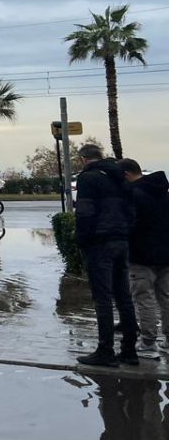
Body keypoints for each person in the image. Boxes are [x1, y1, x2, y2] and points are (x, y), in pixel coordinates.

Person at [75, 143, 139, 366]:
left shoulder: (88, 178)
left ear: (83, 159)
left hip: (99, 243)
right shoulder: (120, 177)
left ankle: (105, 351)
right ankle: (129, 350)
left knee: (102, 299)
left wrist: (82, 241)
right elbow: (132, 210)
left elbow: (84, 213)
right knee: (124, 296)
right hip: (121, 240)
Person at [119, 158, 169, 356]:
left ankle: (148, 342)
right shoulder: (164, 193)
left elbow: (130, 225)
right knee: (166, 297)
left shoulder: (133, 194)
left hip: (140, 255)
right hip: (166, 254)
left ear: (126, 175)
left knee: (144, 298)